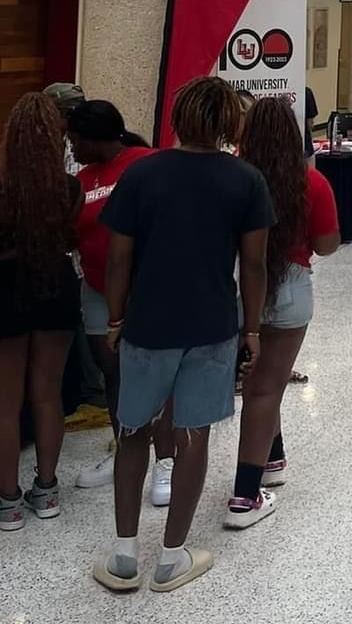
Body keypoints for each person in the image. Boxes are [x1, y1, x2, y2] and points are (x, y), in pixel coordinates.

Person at [93, 78, 273, 592]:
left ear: (178, 117)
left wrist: (114, 318)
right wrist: (254, 328)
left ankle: (125, 556)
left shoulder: (141, 172)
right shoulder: (246, 180)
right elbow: (254, 264)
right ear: (229, 124)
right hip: (214, 326)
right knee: (194, 436)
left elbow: (118, 258)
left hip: (147, 325)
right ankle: (172, 557)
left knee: (134, 433)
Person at [227, 99, 340, 525]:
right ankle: (244, 497)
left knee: (262, 382)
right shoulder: (310, 182)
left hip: (237, 285)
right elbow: (328, 245)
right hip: (292, 285)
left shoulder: (233, 179)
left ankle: (272, 458)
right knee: (265, 389)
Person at [66, 101, 171, 496]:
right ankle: (125, 446)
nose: (71, 147)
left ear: (95, 136)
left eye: (75, 139)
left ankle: (166, 461)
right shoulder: (82, 179)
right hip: (96, 288)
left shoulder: (146, 163)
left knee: (157, 376)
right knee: (114, 376)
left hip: (146, 288)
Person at [0, 92, 81, 530]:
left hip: (7, 293)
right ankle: (47, 490)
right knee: (47, 394)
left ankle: (8, 501)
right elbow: (69, 240)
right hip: (55, 286)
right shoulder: (69, 187)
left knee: (5, 404)